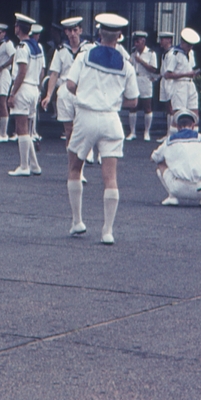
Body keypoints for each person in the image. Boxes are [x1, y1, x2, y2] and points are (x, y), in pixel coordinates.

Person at [65, 13, 140, 245]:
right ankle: (107, 230)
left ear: (99, 32)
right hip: (111, 118)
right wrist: (113, 102)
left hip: (86, 115)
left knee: (75, 168)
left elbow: (70, 84)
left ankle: (77, 221)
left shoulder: (84, 55)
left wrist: (85, 95)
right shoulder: (126, 65)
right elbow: (133, 101)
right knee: (110, 177)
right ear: (119, 36)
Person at [151, 110, 201, 207]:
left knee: (160, 164)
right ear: (193, 125)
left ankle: (172, 197)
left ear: (177, 126)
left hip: (178, 189)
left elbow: (154, 158)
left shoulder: (169, 141)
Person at [6, 17, 46, 176]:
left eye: (16, 25)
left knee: (21, 128)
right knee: (27, 129)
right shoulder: (37, 46)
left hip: (23, 88)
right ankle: (34, 165)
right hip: (34, 88)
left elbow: (21, 72)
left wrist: (12, 93)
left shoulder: (22, 47)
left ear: (18, 28)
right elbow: (42, 72)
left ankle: (24, 166)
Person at [42, 16, 89, 145]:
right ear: (66, 32)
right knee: (68, 131)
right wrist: (48, 95)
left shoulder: (89, 49)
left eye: (75, 30)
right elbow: (54, 74)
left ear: (80, 30)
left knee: (84, 128)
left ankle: (85, 153)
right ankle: (71, 156)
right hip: (65, 91)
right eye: (69, 31)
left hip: (83, 90)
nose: (72, 34)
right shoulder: (61, 50)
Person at [163, 27, 200, 123]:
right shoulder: (174, 54)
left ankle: (192, 132)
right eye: (188, 45)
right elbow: (167, 75)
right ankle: (174, 132)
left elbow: (191, 68)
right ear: (182, 43)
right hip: (179, 86)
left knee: (194, 114)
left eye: (191, 45)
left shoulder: (191, 53)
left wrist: (194, 74)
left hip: (190, 84)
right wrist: (186, 74)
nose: (190, 48)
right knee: (179, 114)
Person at [0, 21, 17, 143]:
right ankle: (0, 130)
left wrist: (3, 66)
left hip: (4, 73)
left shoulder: (7, 44)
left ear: (4, 33)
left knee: (1, 102)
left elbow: (13, 57)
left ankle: (4, 133)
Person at [129, 31, 159, 141]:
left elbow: (153, 69)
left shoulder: (151, 53)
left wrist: (141, 61)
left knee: (147, 106)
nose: (136, 44)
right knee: (133, 106)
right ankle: (132, 132)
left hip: (145, 80)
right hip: (135, 80)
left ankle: (147, 132)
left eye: (138, 41)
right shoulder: (133, 52)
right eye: (135, 42)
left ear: (143, 41)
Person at [156, 29, 175, 134]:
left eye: (162, 39)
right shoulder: (165, 53)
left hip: (170, 81)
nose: (161, 42)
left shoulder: (172, 54)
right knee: (167, 107)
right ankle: (168, 132)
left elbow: (169, 70)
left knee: (171, 107)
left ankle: (171, 133)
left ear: (169, 40)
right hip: (164, 80)